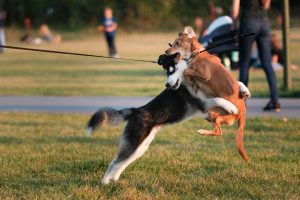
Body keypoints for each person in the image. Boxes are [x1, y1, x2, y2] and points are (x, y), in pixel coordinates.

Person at [232, 0, 281, 112]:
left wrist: (233, 26)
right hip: (264, 23)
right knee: (267, 63)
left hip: (248, 23)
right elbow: (266, 5)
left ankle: (242, 102)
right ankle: (275, 101)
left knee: (244, 63)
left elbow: (235, 9)